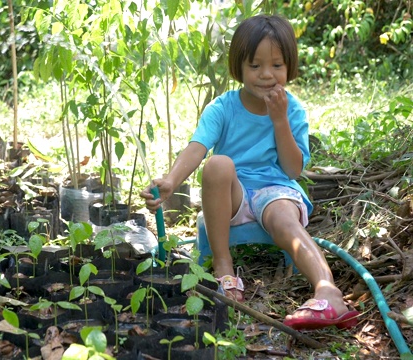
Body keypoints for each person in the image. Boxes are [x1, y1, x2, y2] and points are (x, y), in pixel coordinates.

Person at [140, 14, 359, 330]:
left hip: (276, 189)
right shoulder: (223, 107)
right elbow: (198, 146)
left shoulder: (292, 109)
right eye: (255, 66)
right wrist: (172, 181)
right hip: (233, 194)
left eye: (277, 65)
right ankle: (223, 268)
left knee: (285, 220)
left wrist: (279, 119)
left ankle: (328, 290)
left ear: (290, 67)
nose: (266, 75)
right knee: (218, 163)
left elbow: (292, 170)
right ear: (239, 67)